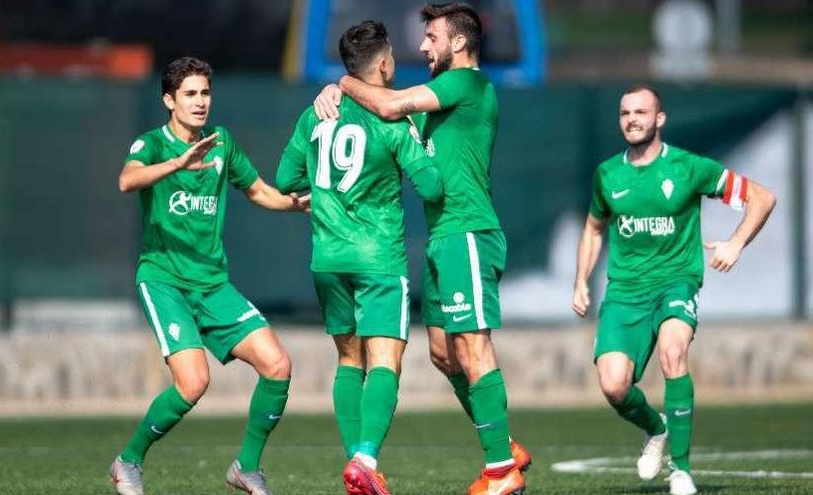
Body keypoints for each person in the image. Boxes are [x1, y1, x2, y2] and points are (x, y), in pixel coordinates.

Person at [314, 4, 531, 494]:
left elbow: (389, 106)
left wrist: (343, 83)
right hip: (441, 238)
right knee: (443, 354)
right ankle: (507, 444)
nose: (423, 46)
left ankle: (501, 471)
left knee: (473, 348)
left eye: (431, 37)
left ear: (458, 43)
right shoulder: (443, 96)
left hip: (467, 233)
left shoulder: (466, 83)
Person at [109, 56, 309, 495]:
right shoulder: (152, 145)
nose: (200, 102)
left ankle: (246, 468)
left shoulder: (222, 143)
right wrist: (178, 165)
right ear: (169, 100)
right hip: (164, 280)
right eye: (190, 94)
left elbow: (258, 191)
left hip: (213, 284)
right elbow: (127, 180)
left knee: (277, 365)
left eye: (205, 93)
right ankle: (128, 461)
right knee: (194, 382)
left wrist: (298, 204)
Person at [572, 84, 776, 495]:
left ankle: (680, 469)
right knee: (613, 386)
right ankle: (656, 428)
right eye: (625, 113)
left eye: (641, 112)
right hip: (625, 292)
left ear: (659, 119)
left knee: (672, 351)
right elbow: (594, 228)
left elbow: (762, 197)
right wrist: (580, 281)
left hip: (675, 283)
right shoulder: (607, 174)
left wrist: (735, 243)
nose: (632, 119)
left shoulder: (688, 168)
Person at [277, 20, 444, 495]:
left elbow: (287, 177)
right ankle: (366, 457)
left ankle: (357, 467)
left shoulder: (317, 114)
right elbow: (430, 186)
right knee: (385, 360)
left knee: (350, 360)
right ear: (386, 64)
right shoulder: (393, 119)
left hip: (328, 257)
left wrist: (323, 191)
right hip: (378, 258)